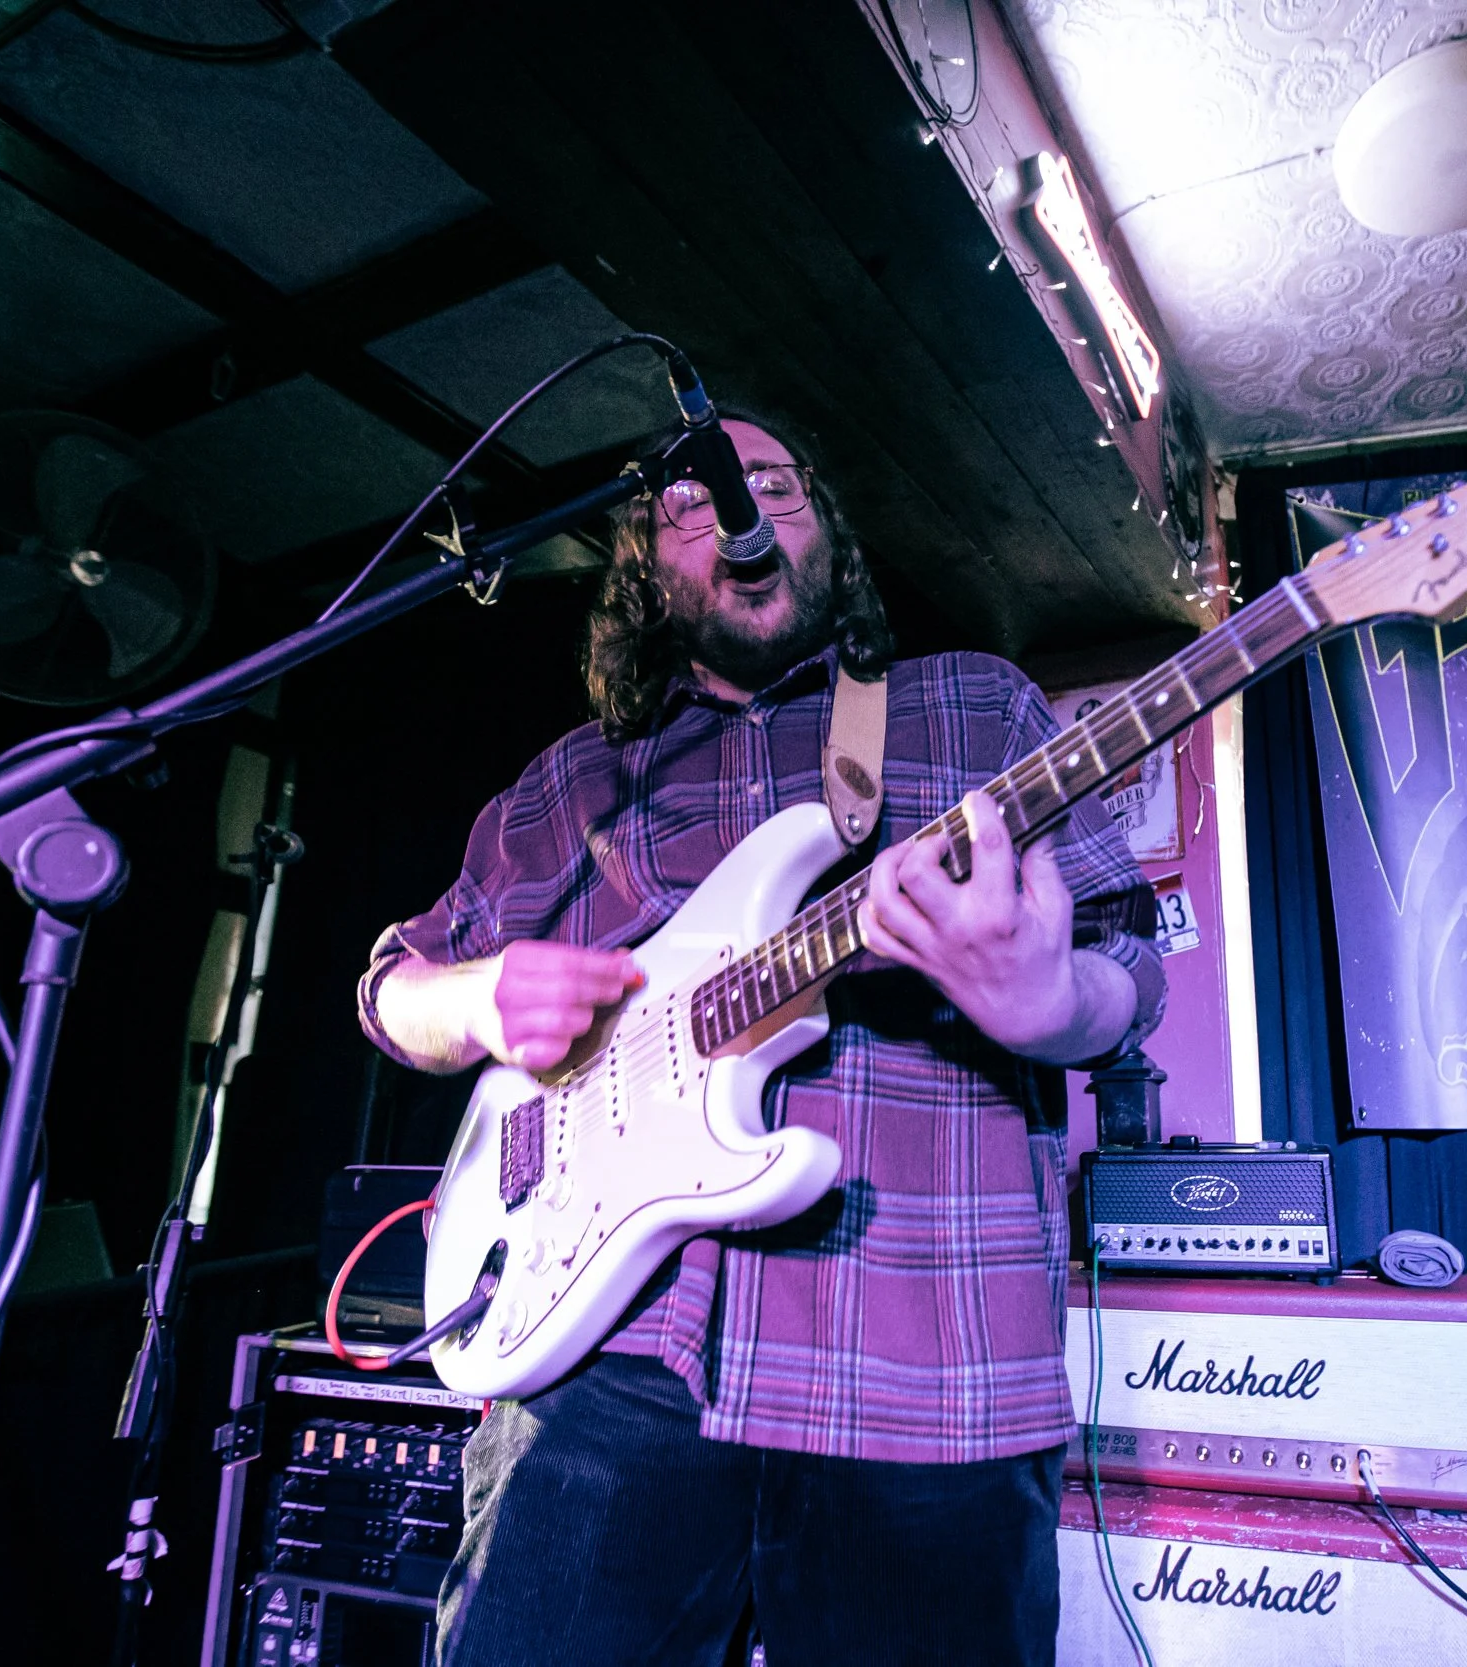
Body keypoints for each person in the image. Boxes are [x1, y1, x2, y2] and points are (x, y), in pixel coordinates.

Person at [357, 413, 1165, 1666]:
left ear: (825, 531)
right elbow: (393, 985)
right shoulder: (571, 781)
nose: (741, 511)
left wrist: (1039, 1003)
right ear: (643, 570)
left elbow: (1128, 971)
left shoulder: (972, 710)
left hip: (926, 1358)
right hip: (604, 1360)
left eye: (775, 484)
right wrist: (473, 1002)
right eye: (690, 505)